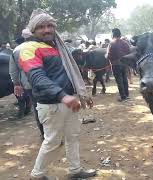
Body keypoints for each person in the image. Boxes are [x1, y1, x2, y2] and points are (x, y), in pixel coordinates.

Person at [18, 9, 96, 179]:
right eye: (41, 27)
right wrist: (63, 96)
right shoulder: (28, 48)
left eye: (50, 26)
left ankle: (75, 170)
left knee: (73, 137)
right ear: (33, 30)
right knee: (52, 142)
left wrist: (78, 95)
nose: (46, 30)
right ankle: (37, 175)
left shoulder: (57, 46)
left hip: (70, 100)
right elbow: (37, 77)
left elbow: (69, 72)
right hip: (52, 104)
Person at [106, 28, 130, 102]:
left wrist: (106, 56)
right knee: (124, 79)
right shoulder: (125, 43)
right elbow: (129, 52)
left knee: (119, 80)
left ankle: (123, 96)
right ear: (120, 34)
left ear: (113, 34)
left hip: (116, 64)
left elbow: (109, 55)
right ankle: (126, 94)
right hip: (124, 64)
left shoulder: (111, 43)